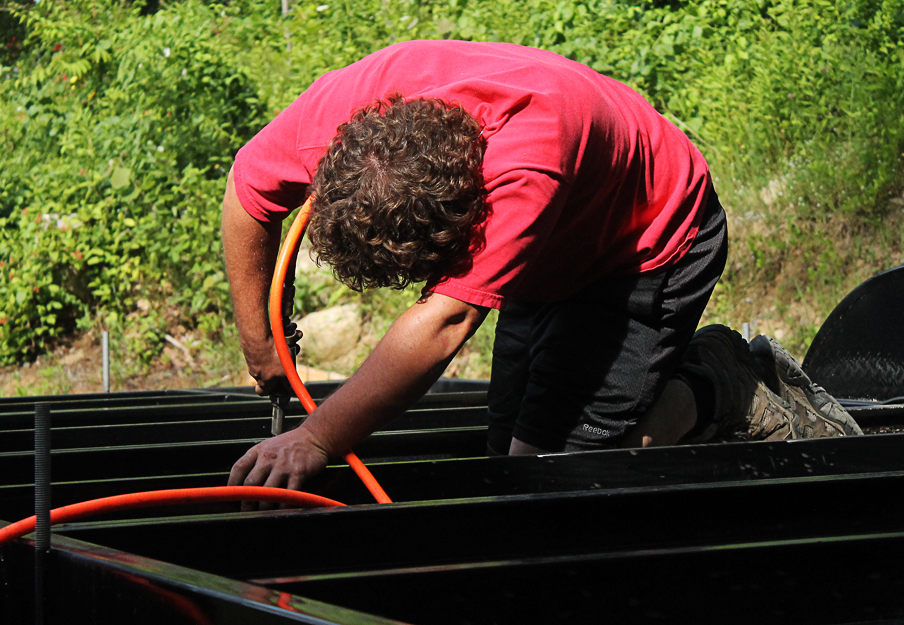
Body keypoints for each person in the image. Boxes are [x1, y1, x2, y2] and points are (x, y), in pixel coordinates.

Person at [222, 40, 859, 494]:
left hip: (648, 243)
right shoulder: (333, 116)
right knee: (507, 457)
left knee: (554, 478)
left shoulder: (526, 167)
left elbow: (444, 323)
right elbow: (246, 196)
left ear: (471, 220)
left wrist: (316, 438)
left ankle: (721, 384)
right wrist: (260, 344)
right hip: (557, 245)